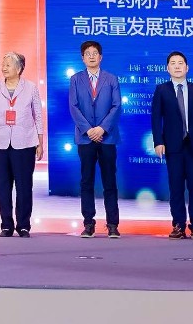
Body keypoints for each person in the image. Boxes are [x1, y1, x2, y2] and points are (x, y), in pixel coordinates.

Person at [151, 50, 193, 238]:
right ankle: (178, 224)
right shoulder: (161, 90)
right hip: (172, 146)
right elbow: (156, 119)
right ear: (167, 68)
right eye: (173, 63)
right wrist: (158, 141)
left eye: (180, 63)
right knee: (175, 187)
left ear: (187, 68)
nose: (177, 66)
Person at [0, 50, 43, 237]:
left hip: (25, 142)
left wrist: (40, 142)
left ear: (19, 68)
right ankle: (6, 225)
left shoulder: (31, 88)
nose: (4, 67)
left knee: (24, 185)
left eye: (8, 64)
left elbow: (38, 116)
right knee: (3, 185)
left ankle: (23, 225)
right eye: (3, 64)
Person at [68, 39, 120, 238]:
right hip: (85, 138)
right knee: (86, 181)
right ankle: (88, 223)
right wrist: (89, 130)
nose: (91, 56)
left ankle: (112, 224)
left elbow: (116, 106)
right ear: (82, 58)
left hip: (107, 138)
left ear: (101, 57)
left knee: (110, 182)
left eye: (94, 53)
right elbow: (73, 107)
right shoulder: (75, 79)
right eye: (87, 54)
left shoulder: (111, 78)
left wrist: (102, 129)